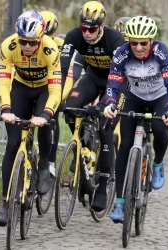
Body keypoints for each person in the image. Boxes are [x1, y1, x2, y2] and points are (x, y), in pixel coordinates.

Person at [103, 16, 168, 222]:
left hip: (159, 97)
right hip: (135, 97)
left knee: (160, 127)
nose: (137, 47)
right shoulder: (122, 53)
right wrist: (110, 103)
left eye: (143, 43)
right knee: (125, 145)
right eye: (133, 42)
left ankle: (158, 163)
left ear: (151, 41)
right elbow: (113, 83)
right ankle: (119, 202)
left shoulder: (161, 51)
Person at [0, 10, 61, 227]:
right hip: (20, 88)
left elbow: (55, 91)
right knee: (12, 143)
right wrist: (5, 109)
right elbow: (4, 82)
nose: (28, 47)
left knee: (44, 126)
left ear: (41, 38)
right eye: (23, 41)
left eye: (32, 42)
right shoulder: (8, 46)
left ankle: (43, 165)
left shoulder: (51, 49)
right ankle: (5, 203)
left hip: (44, 90)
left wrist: (45, 115)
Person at [60, 1, 125, 212]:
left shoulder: (115, 39)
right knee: (71, 106)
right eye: (83, 27)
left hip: (116, 82)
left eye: (92, 28)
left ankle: (104, 186)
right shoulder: (73, 36)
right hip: (93, 77)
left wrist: (107, 103)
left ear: (102, 25)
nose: (87, 33)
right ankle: (83, 145)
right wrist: (57, 99)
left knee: (106, 123)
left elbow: (120, 75)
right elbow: (62, 71)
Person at [40, 10, 73, 175]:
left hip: (56, 86)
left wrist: (61, 97)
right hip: (35, 86)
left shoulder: (61, 44)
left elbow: (69, 74)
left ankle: (50, 160)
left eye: (50, 35)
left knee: (51, 119)